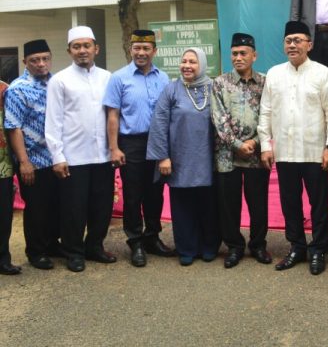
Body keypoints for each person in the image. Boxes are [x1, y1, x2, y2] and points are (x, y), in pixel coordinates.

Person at [258, 21, 328, 275]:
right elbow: (265, 112)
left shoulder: (323, 74)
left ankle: (318, 250)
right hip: (284, 152)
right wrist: (265, 145)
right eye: (288, 41)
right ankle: (297, 247)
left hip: (315, 152)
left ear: (310, 44)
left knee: (318, 204)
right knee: (290, 203)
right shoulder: (274, 74)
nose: (292, 45)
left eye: (298, 40)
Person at [45, 26, 114, 272]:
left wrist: (114, 148)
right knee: (74, 209)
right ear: (69, 51)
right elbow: (53, 121)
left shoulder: (107, 77)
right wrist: (57, 156)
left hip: (103, 156)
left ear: (96, 49)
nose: (82, 50)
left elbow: (113, 115)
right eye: (77, 47)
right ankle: (73, 252)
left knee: (102, 206)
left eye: (87, 46)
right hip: (73, 157)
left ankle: (94, 246)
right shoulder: (60, 80)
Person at [103, 29, 173, 267]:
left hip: (157, 142)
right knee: (133, 195)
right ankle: (135, 242)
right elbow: (113, 115)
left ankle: (152, 237)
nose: (141, 53)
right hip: (131, 143)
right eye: (137, 48)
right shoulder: (119, 78)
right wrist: (114, 148)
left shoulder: (163, 78)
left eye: (146, 48)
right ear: (130, 50)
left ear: (155, 51)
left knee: (155, 193)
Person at [147, 48, 219, 266]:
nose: (187, 66)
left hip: (208, 159)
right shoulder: (171, 90)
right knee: (183, 207)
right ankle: (186, 248)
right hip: (179, 159)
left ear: (202, 65)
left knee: (208, 205)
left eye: (193, 62)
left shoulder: (214, 88)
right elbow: (159, 123)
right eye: (184, 61)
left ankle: (209, 246)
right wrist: (162, 157)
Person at [211, 33, 272, 269]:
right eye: (234, 53)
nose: (238, 57)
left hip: (256, 154)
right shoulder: (220, 83)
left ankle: (258, 245)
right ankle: (234, 246)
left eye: (243, 53)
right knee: (228, 204)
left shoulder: (265, 82)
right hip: (227, 155)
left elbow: (270, 116)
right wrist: (237, 144)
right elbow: (219, 119)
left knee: (258, 203)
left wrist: (254, 143)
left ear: (254, 56)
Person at [4, 40, 60, 271]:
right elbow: (13, 127)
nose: (41, 64)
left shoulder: (56, 83)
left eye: (45, 58)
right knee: (37, 207)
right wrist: (24, 162)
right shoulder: (17, 89)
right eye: (35, 60)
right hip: (33, 160)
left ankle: (52, 244)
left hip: (56, 157)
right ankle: (36, 252)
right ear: (25, 62)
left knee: (56, 204)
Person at [0, 79, 18, 275]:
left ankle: (2, 259)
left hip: (2, 165)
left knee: (3, 215)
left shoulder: (4, 89)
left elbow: (13, 126)